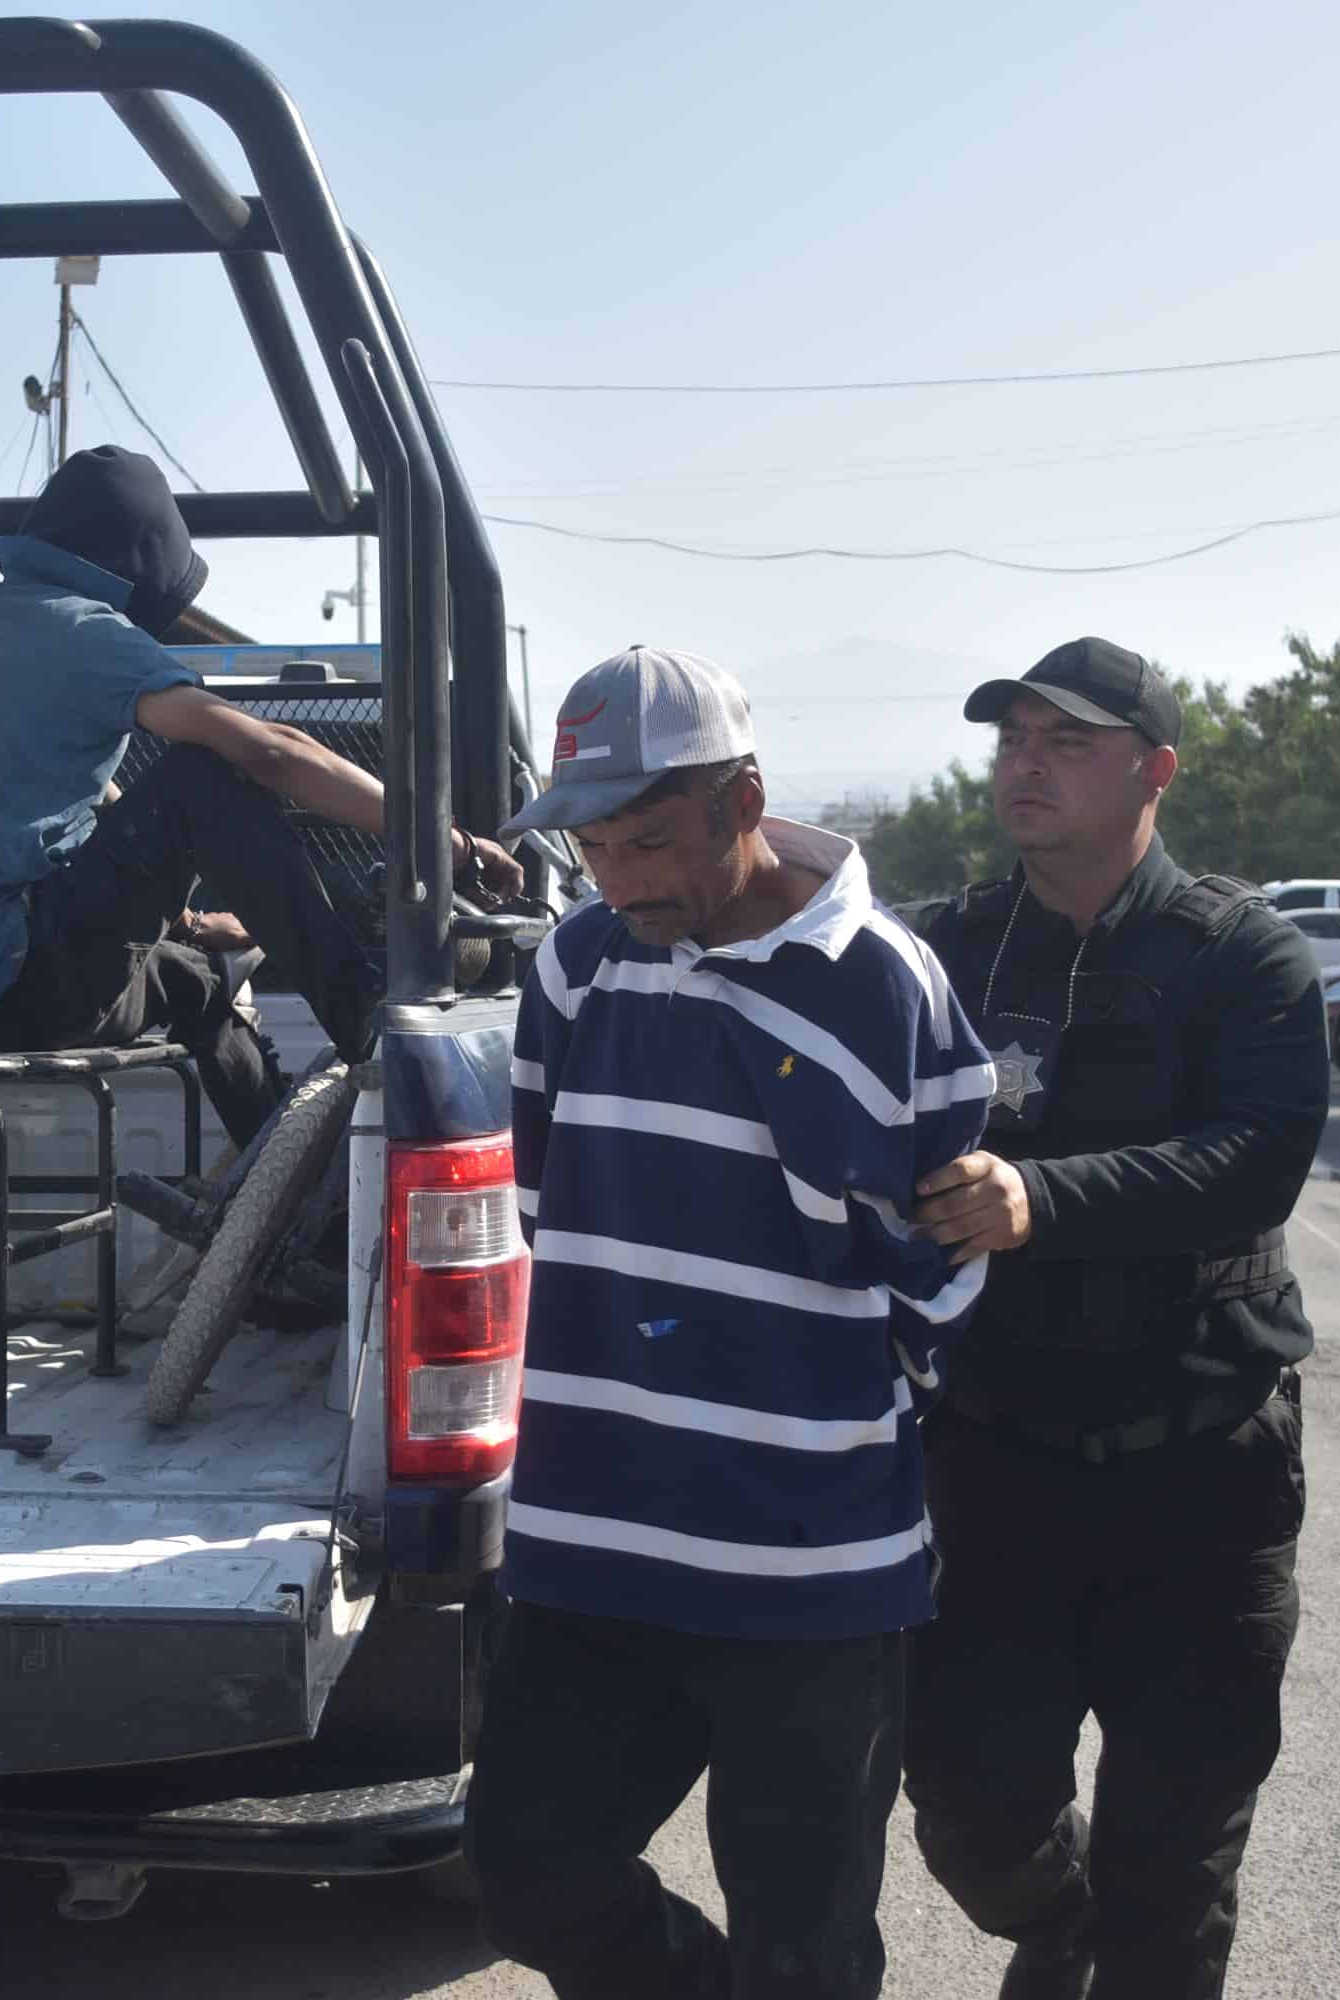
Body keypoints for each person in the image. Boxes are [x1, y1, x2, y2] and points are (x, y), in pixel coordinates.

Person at [463, 646, 996, 1999]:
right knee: (528, 1875)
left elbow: (944, 1271)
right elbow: (547, 1200)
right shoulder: (578, 965)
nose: (621, 881)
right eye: (593, 849)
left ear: (743, 795)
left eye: (648, 841)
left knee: (805, 1951)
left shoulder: (886, 983)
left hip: (808, 1567)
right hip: (593, 1540)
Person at [897, 638, 1325, 2000]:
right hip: (1001, 1456)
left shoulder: (1241, 953)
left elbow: (1257, 1157)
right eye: (1013, 739)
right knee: (972, 1811)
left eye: (1066, 742)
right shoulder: (948, 946)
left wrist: (1040, 1197)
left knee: (1177, 1858)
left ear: (1154, 771)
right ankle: (1064, 1926)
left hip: (1203, 1459)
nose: (1026, 764)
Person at [0, 446, 519, 1144]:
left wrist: (187, 924)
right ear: (139, 558)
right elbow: (268, 750)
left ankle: (277, 1177)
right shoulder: (81, 630)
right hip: (14, 977)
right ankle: (360, 1010)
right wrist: (447, 843)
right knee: (202, 776)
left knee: (197, 981)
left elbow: (92, 807)